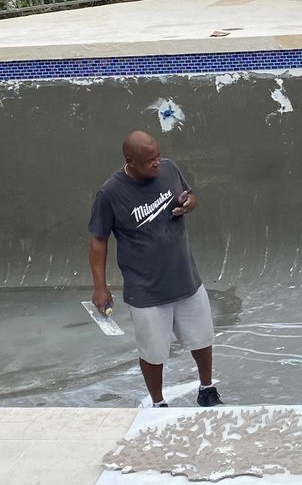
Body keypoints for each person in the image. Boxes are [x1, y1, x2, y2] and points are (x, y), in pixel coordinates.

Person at [89, 130, 221, 407]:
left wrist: (188, 205)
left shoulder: (170, 169)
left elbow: (191, 196)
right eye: (150, 160)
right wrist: (100, 287)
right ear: (130, 161)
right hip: (146, 289)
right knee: (153, 352)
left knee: (202, 338)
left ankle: (207, 388)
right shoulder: (110, 193)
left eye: (158, 156)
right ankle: (158, 403)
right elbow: (98, 241)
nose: (157, 163)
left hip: (185, 278)